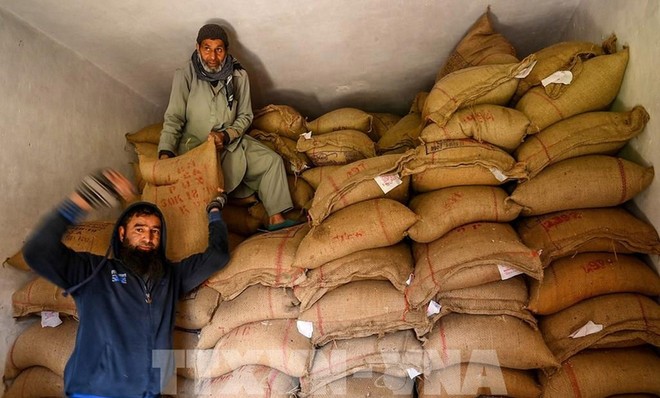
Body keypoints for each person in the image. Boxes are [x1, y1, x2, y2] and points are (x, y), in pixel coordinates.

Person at [23, 169, 230, 397]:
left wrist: (214, 212)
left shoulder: (170, 276)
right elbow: (37, 251)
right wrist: (87, 196)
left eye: (155, 231)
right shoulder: (93, 272)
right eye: (139, 229)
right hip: (95, 392)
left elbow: (217, 257)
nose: (147, 238)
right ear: (122, 234)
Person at [158, 23, 298, 231]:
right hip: (196, 148)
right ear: (198, 47)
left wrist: (226, 135)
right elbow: (174, 116)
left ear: (226, 51)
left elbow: (245, 116)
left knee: (272, 161)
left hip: (231, 142)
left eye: (218, 49)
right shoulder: (185, 74)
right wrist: (165, 153)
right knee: (205, 194)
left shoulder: (239, 76)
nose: (212, 56)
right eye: (207, 48)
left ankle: (276, 219)